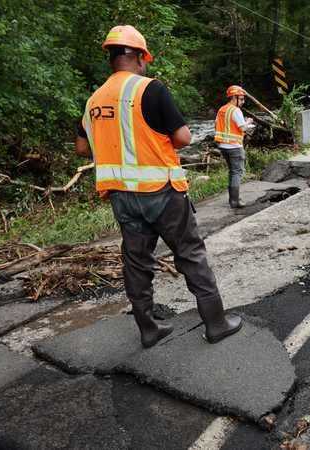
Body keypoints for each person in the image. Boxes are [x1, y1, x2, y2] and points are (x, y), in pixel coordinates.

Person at [75, 25, 242, 348]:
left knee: (136, 262)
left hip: (121, 196)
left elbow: (82, 148)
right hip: (162, 193)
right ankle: (216, 323)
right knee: (191, 255)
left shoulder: (94, 100)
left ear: (111, 59)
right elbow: (182, 138)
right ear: (139, 57)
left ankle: (149, 328)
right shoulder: (150, 90)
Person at [214, 85, 256, 208]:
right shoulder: (236, 110)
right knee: (237, 172)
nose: (243, 102)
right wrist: (248, 122)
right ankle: (235, 201)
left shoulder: (222, 109)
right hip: (234, 147)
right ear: (234, 97)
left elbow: (217, 124)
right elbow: (242, 127)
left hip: (223, 146)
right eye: (241, 99)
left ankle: (232, 199)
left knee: (232, 172)